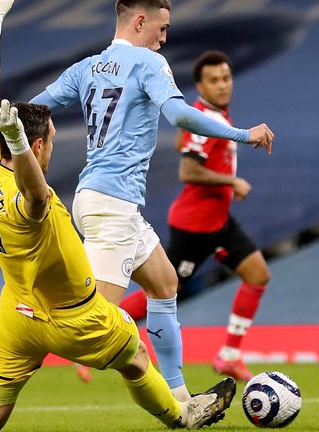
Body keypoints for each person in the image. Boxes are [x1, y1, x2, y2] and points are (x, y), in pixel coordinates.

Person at [0, 2, 236, 431]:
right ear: (36, 149)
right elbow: (35, 191)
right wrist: (23, 145)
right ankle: (182, 414)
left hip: (17, 314)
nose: (54, 145)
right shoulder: (31, 205)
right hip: (71, 317)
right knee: (134, 355)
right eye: (51, 141)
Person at [27, 0, 274, 399]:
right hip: (112, 205)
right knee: (90, 323)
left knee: (164, 284)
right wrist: (244, 134)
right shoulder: (148, 63)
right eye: (162, 26)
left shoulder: (87, 66)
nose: (165, 35)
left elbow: (32, 109)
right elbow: (180, 116)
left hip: (101, 199)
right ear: (140, 21)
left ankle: (180, 397)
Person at [118, 50, 271, 381]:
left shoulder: (212, 117)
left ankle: (230, 354)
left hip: (219, 221)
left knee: (257, 274)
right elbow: (188, 170)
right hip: (195, 227)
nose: (222, 85)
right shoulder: (205, 119)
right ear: (200, 85)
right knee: (161, 293)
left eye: (226, 78)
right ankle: (102, 321)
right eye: (214, 80)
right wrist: (232, 181)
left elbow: (185, 146)